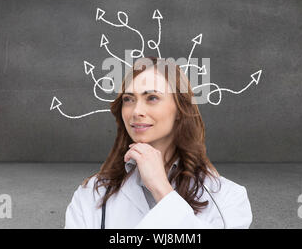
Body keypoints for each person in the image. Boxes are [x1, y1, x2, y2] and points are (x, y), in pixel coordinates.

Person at [64, 57, 252, 228]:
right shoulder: (91, 194)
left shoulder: (229, 198)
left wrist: (161, 189)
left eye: (152, 98)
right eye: (128, 99)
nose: (136, 111)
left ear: (180, 110)